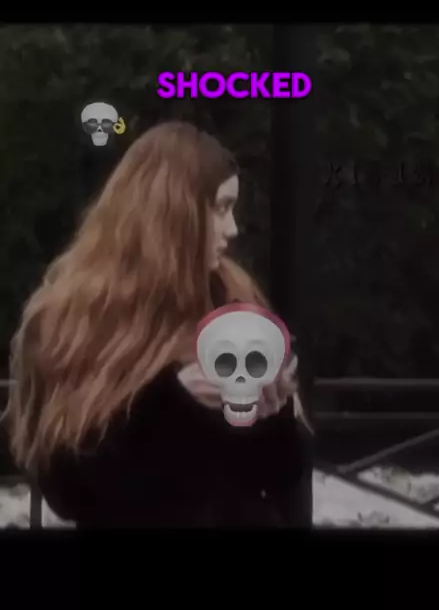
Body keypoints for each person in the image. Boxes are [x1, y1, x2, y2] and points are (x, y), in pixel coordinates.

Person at [5, 121, 314, 527]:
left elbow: (279, 474)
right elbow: (67, 489)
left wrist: (275, 414)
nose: (233, 228)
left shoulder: (231, 300)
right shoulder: (71, 320)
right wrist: (171, 404)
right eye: (221, 208)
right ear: (173, 213)